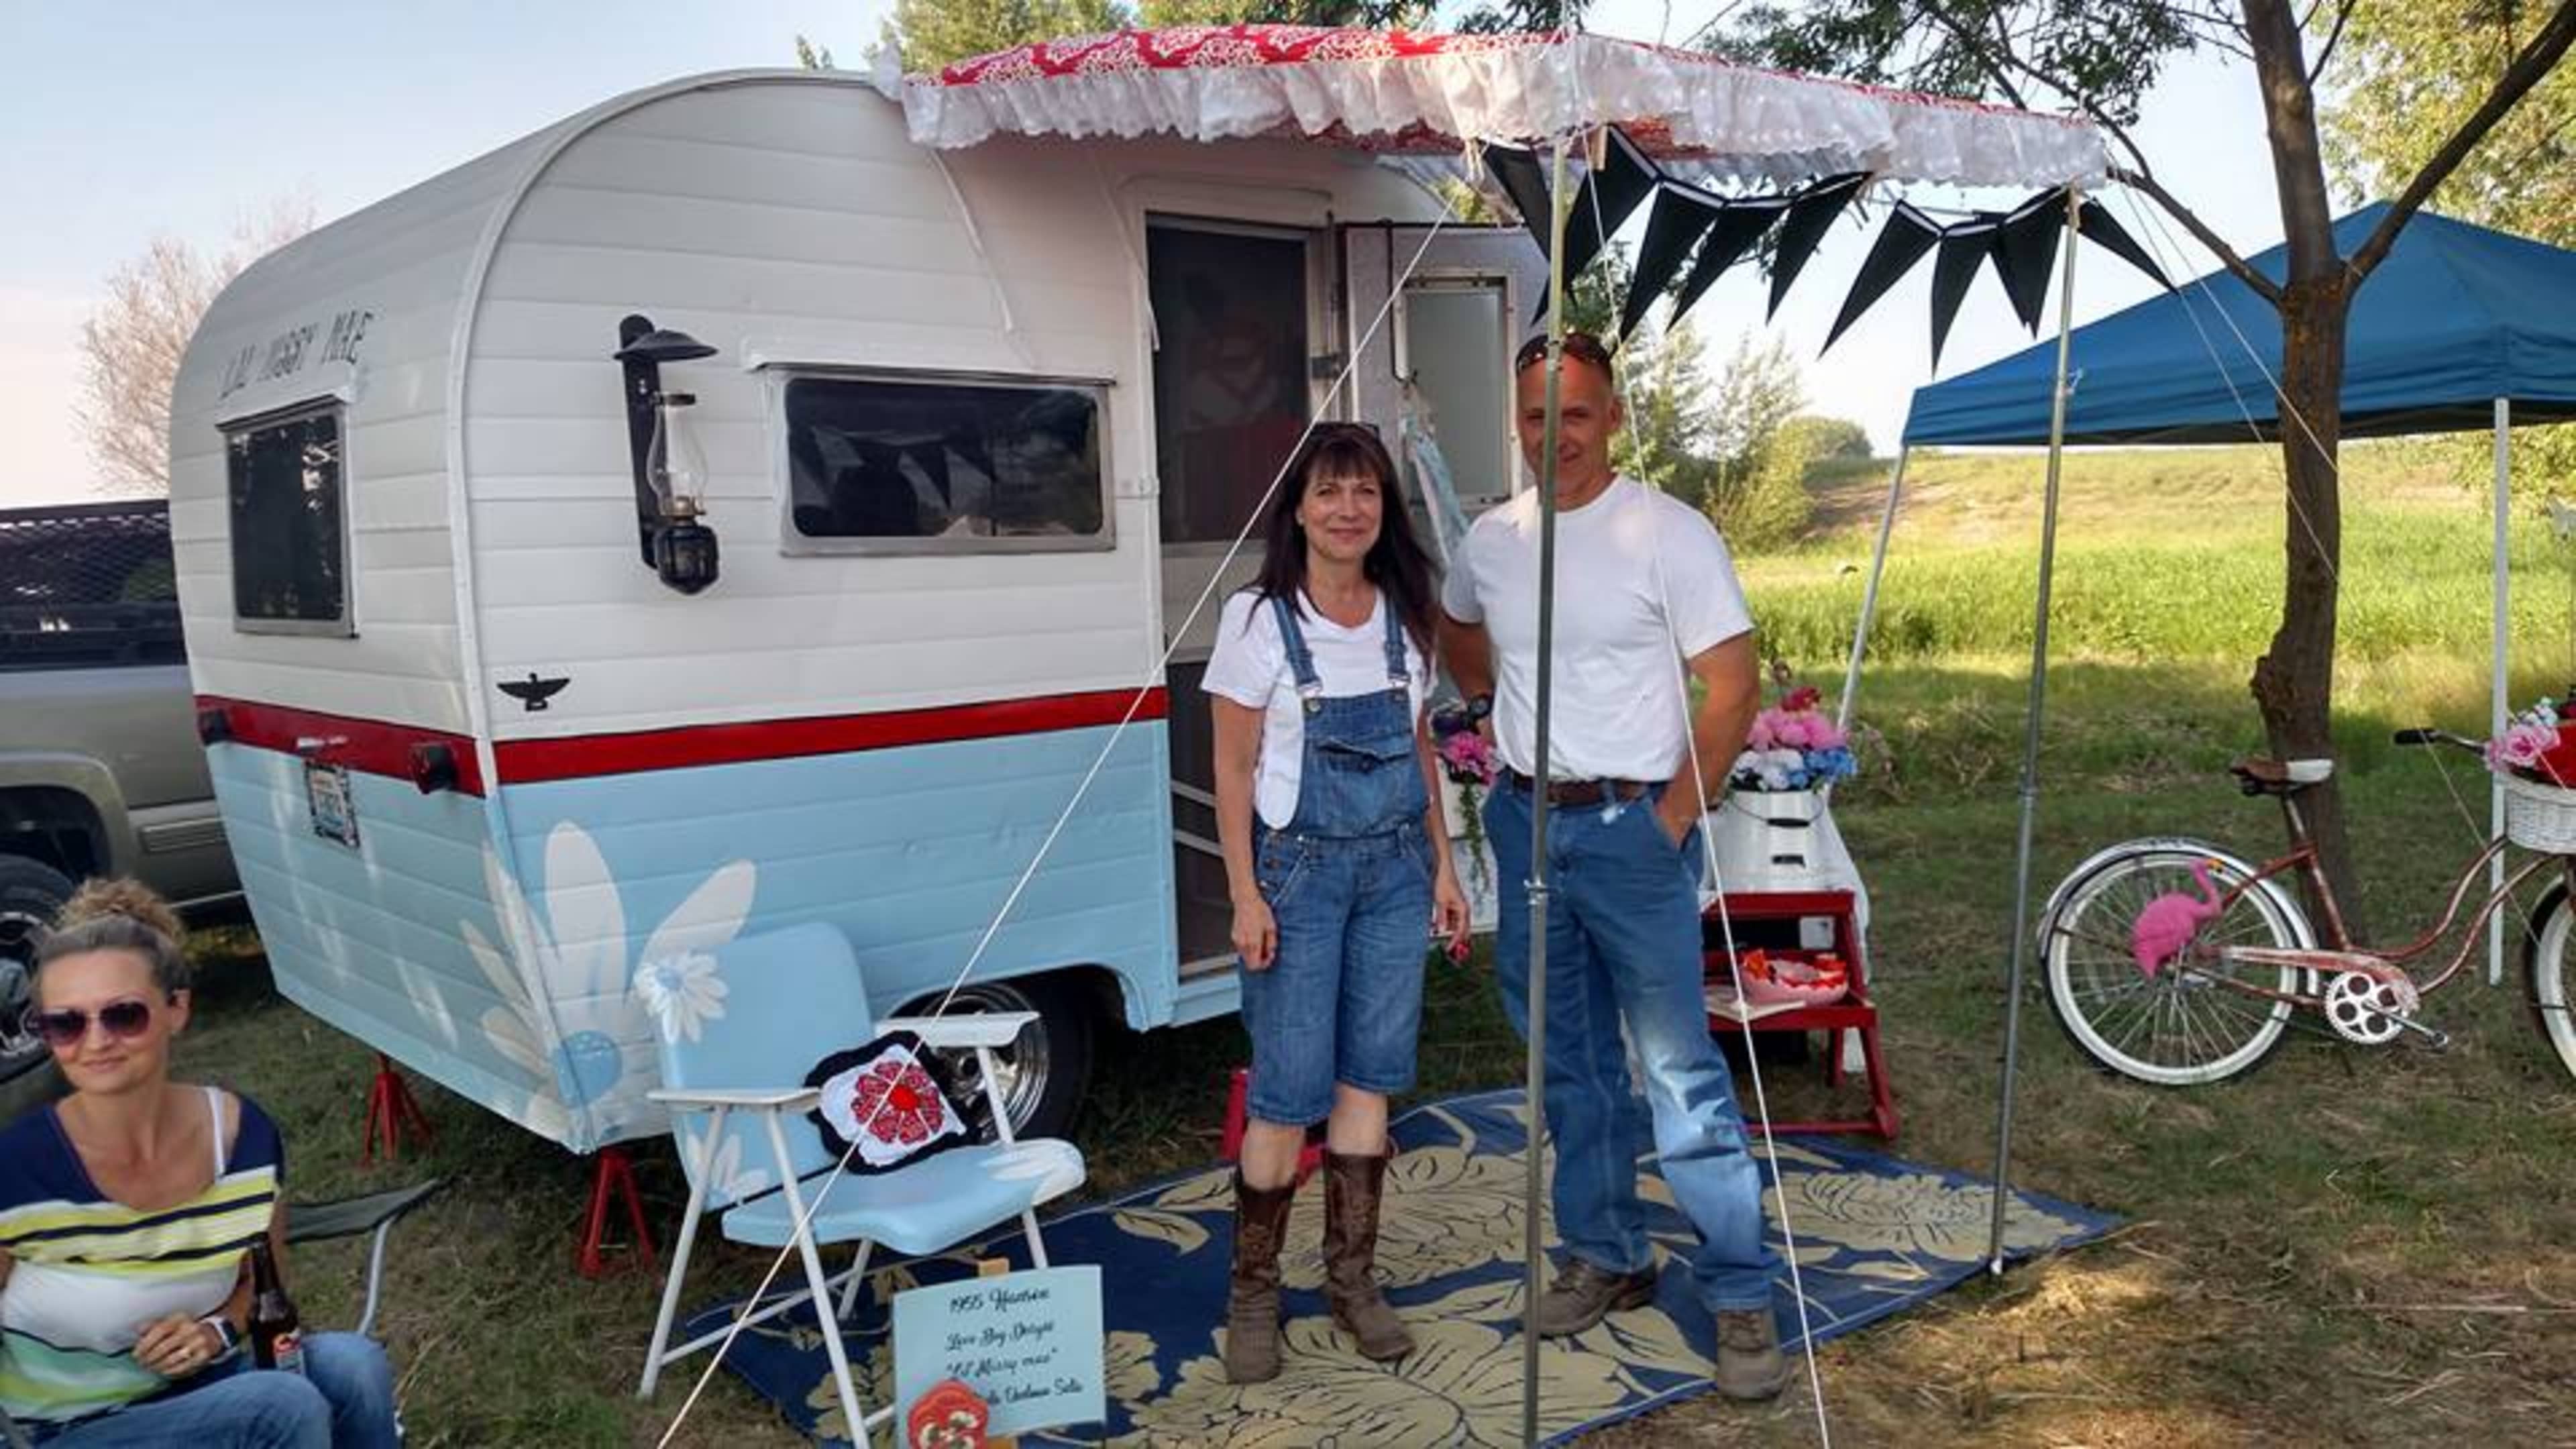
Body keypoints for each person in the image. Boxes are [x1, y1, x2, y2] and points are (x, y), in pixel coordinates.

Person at [1437, 331, 1790, 1401]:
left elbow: (1732, 684)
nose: (1556, 437)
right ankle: (1608, 1254)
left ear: (1615, 418)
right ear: (1518, 422)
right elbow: (1461, 633)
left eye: (1576, 414)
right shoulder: (1492, 539)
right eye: (1537, 416)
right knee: (1570, 1068)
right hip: (1528, 823)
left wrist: (1676, 819)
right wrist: (1498, 716)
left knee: (1682, 1077)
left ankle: (1739, 1297)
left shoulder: (1665, 533)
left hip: (1636, 833)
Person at [1205, 422, 1472, 1383]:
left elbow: (1421, 752)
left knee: (1370, 1084)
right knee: (1286, 1093)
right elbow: (1231, 772)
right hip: (1298, 878)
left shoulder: (1408, 612)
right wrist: (1243, 894)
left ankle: (1352, 1282)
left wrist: (1446, 871)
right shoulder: (1256, 617)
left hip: (1398, 871)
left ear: (1384, 510)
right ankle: (1254, 1295)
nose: (1348, 509)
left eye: (1364, 492)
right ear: (1298, 510)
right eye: (1328, 493)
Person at [0, 880, 402, 1447]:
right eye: (65, 1024)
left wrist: (214, 1332)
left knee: (352, 1365)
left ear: (175, 1009)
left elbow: (265, 1283)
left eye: (123, 1016)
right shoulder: (17, 1169)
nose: (96, 1043)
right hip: (62, 1429)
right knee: (280, 1405)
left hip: (205, 1384)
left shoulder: (246, 1141)